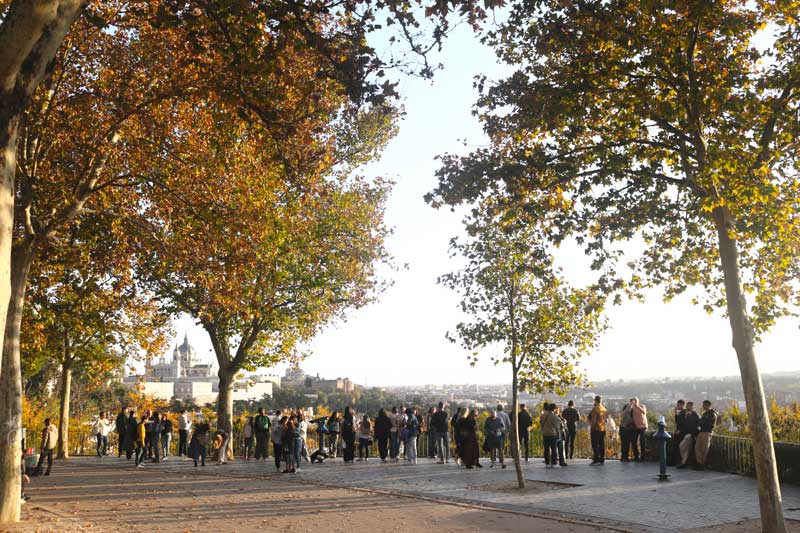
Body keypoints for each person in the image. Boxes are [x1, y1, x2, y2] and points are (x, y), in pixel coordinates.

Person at [695, 400, 718, 470]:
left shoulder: (712, 414)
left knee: (704, 449)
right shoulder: (704, 414)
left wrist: (702, 423)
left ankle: (702, 464)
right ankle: (699, 463)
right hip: (701, 432)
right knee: (697, 448)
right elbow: (700, 422)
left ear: (708, 405)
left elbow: (709, 424)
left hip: (707, 432)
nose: (703, 406)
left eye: (704, 405)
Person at [677, 401, 700, 469]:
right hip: (684, 433)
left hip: (690, 434)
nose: (687, 407)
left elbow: (697, 425)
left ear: (692, 407)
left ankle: (684, 462)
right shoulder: (685, 413)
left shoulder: (695, 415)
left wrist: (693, 434)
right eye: (687, 406)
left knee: (681, 446)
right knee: (686, 449)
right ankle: (684, 462)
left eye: (689, 406)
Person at [588, 395, 607, 465]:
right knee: (602, 444)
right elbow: (605, 420)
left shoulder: (595, 409)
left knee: (595, 445)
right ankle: (602, 458)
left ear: (595, 401)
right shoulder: (604, 409)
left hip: (596, 429)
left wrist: (592, 428)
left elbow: (594, 420)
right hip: (602, 428)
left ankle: (596, 459)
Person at [540, 404, 560, 468]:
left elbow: (541, 423)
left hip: (545, 434)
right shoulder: (554, 416)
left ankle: (547, 463)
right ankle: (554, 463)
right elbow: (557, 426)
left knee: (546, 449)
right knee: (553, 449)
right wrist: (558, 433)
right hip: (552, 434)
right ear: (554, 409)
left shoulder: (543, 415)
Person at [670, 400, 686, 466]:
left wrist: (680, 430)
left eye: (678, 405)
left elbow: (685, 423)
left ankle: (678, 461)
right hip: (678, 431)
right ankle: (673, 461)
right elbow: (677, 422)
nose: (677, 406)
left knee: (679, 447)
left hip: (682, 432)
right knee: (674, 446)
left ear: (682, 405)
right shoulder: (679, 412)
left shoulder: (685, 412)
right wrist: (676, 413)